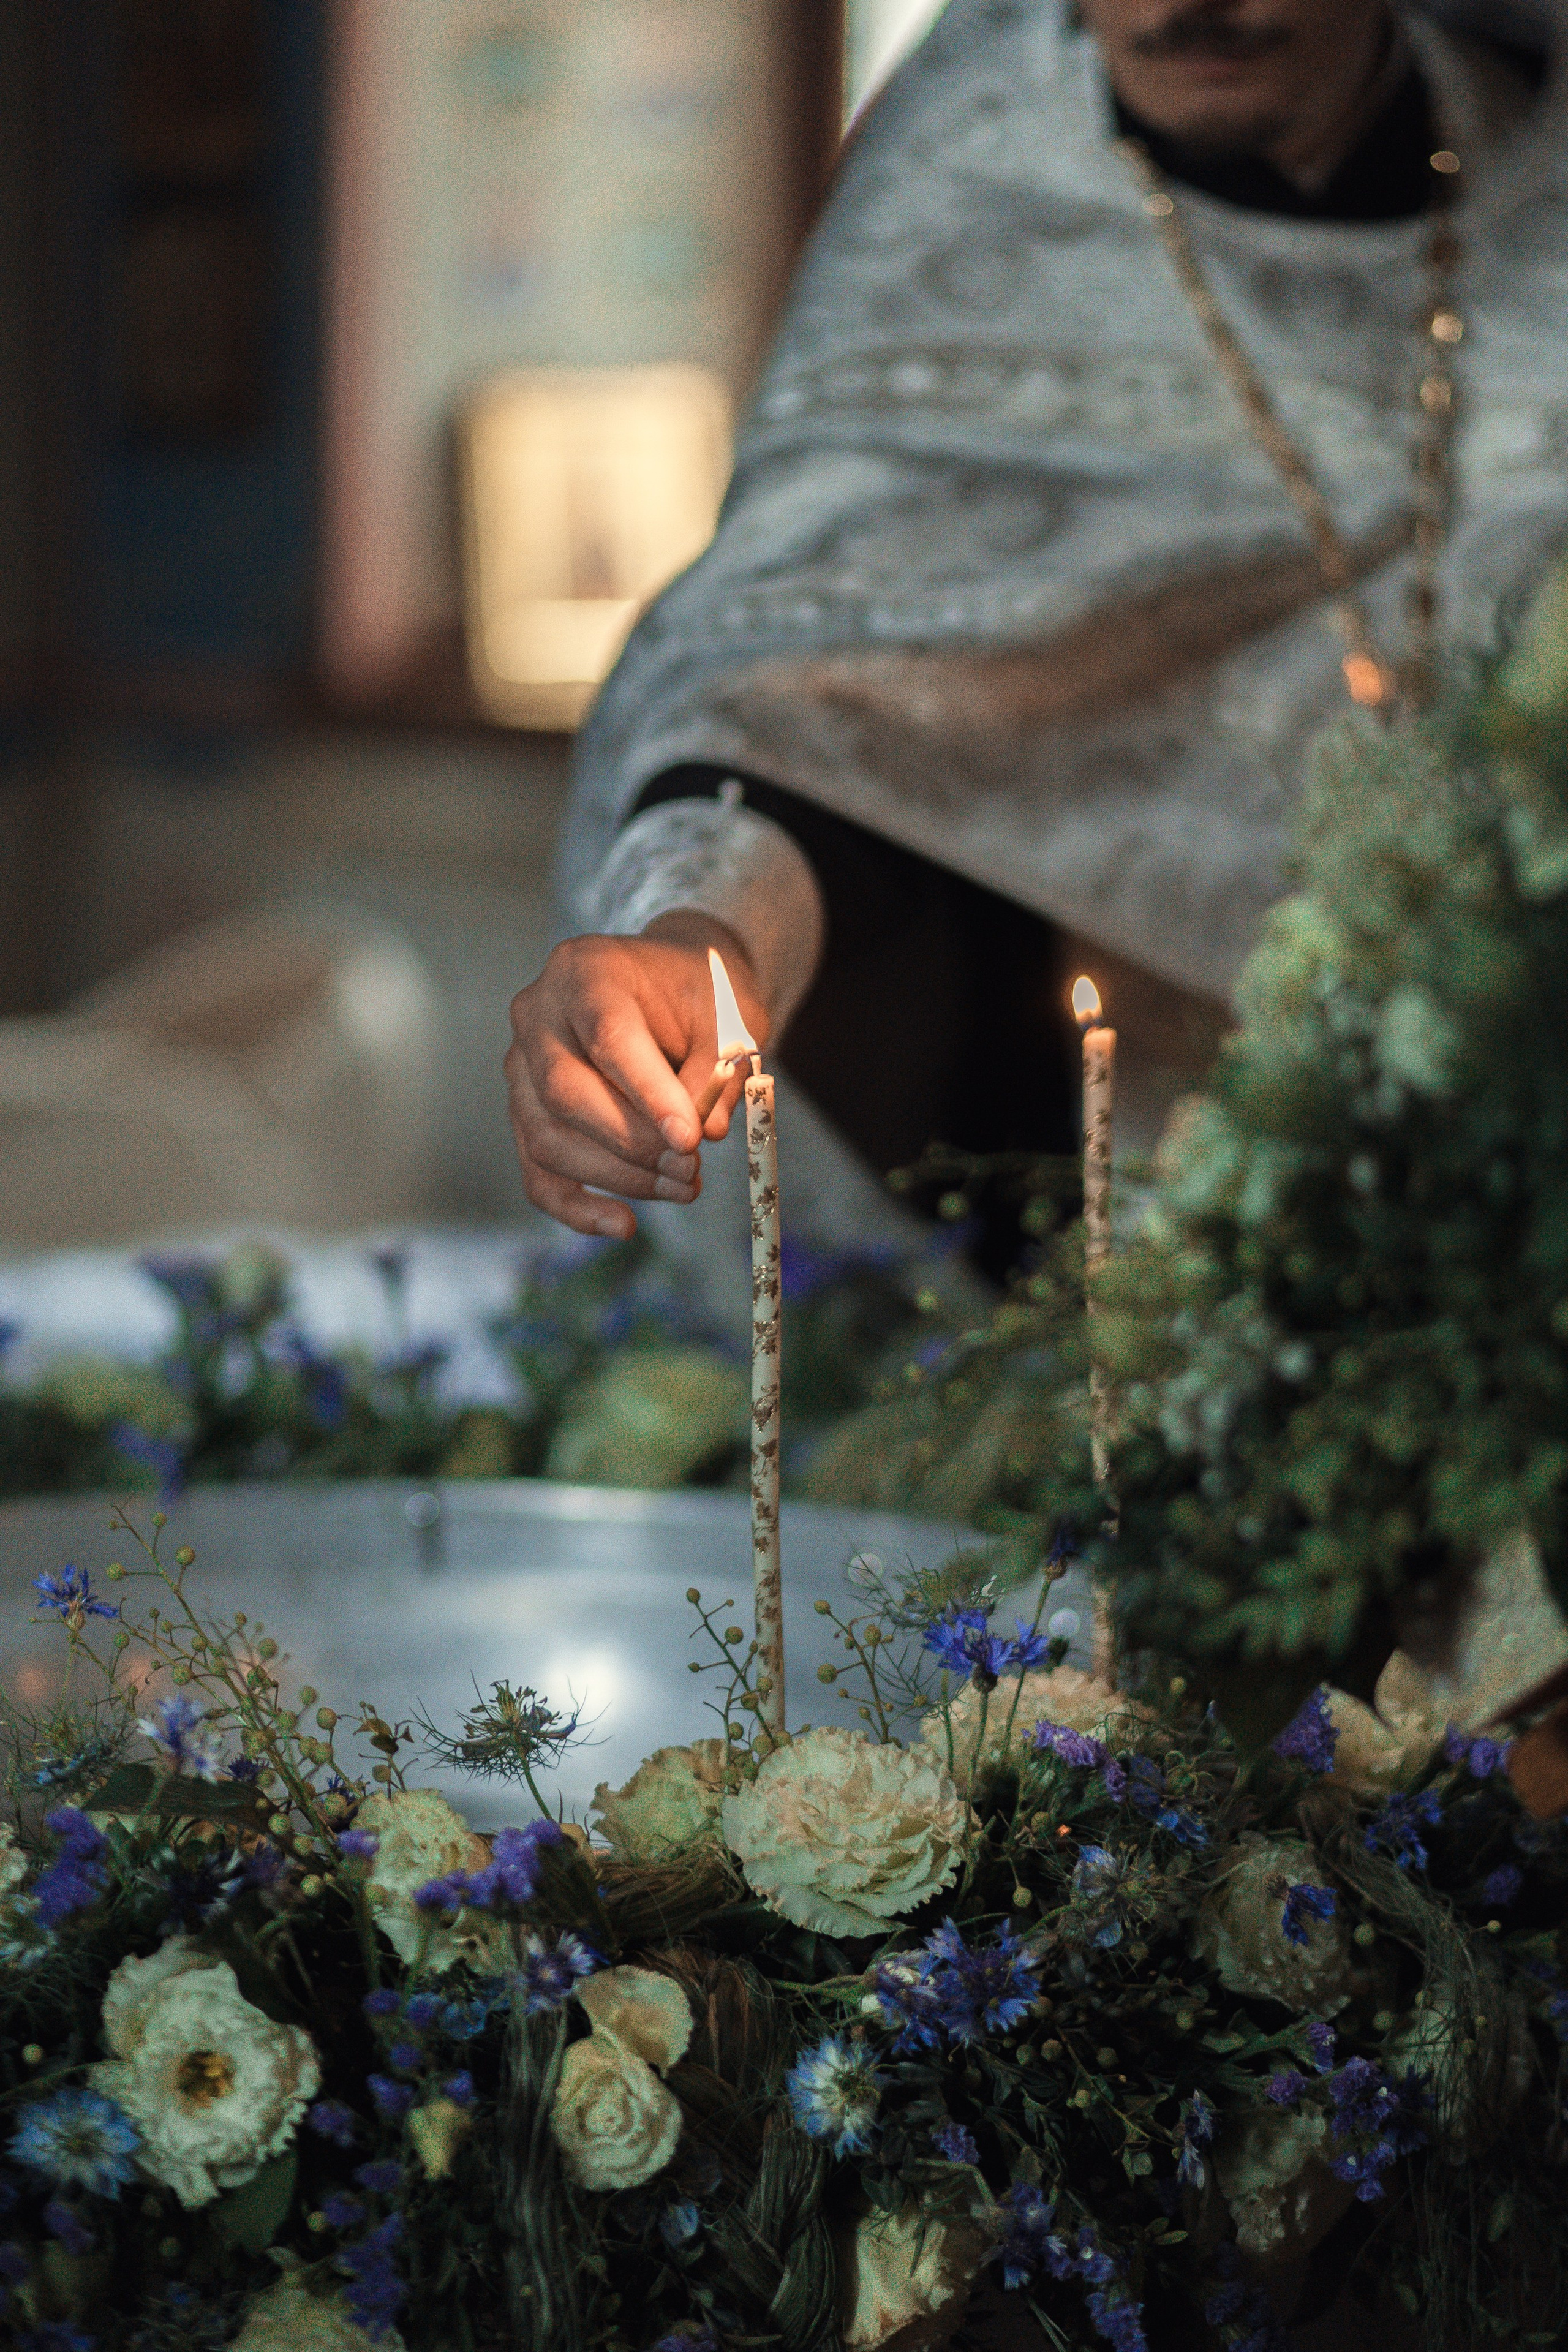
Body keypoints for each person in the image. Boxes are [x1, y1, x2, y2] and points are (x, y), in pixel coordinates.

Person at [507, 0, 1562, 1267]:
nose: (1186, 6)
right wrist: (701, 944)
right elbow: (808, 690)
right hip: (1088, 1175)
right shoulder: (970, 175)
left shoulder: (1534, 155)